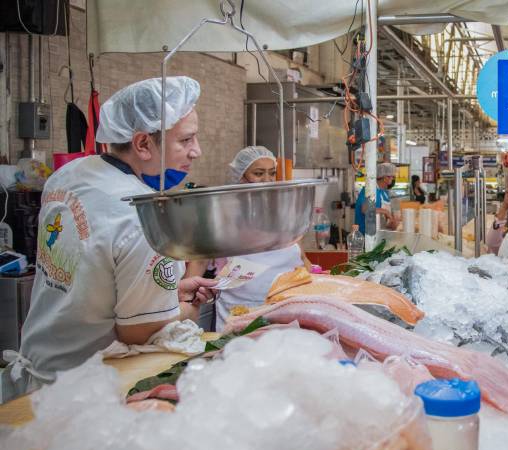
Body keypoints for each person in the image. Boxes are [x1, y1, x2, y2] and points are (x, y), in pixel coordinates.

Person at [3, 77, 216, 401]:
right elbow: (139, 331)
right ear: (143, 144)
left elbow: (92, 271)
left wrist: (166, 292)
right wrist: (186, 310)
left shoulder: (68, 175)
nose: (196, 151)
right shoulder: (145, 216)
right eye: (186, 140)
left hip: (35, 374)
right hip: (81, 394)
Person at [212, 146, 308, 330]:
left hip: (287, 308)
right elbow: (199, 264)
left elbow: (302, 258)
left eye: (272, 173)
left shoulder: (285, 213)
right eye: (258, 173)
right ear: (240, 176)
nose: (267, 180)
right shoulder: (224, 213)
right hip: (240, 313)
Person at [355, 162, 397, 234]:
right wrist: (385, 212)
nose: (393, 179)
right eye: (391, 176)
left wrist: (391, 223)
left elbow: (384, 218)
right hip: (366, 236)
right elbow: (365, 209)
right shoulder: (370, 190)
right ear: (384, 178)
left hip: (379, 234)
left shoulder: (384, 192)